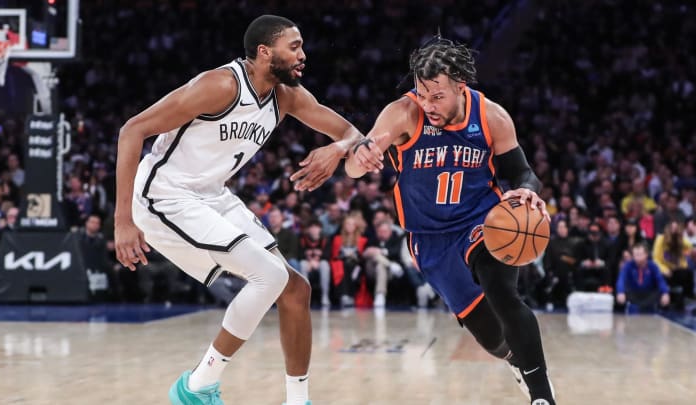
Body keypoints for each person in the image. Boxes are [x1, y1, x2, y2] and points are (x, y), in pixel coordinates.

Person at [115, 15, 363, 405]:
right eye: (294, 46)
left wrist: (336, 149)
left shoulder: (286, 96)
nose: (303, 55)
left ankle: (298, 401)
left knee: (296, 289)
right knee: (267, 275)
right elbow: (132, 130)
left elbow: (351, 134)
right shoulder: (219, 86)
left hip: (212, 195)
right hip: (164, 195)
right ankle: (197, 386)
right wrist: (122, 221)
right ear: (265, 52)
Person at [345, 36, 556, 404]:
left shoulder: (491, 117)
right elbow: (358, 158)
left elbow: (522, 174)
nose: (428, 105)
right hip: (429, 237)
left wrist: (526, 190)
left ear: (461, 87)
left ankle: (542, 396)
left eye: (437, 96)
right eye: (422, 94)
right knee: (491, 338)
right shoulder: (403, 113)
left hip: (481, 221)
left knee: (503, 293)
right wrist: (358, 161)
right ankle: (516, 361)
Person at [616, 243, 670, 312]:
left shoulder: (652, 266)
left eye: (640, 255)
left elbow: (660, 280)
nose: (638, 258)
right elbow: (621, 279)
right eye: (635, 255)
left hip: (648, 295)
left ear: (646, 254)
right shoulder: (628, 265)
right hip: (634, 295)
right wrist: (620, 291)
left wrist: (665, 293)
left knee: (660, 294)